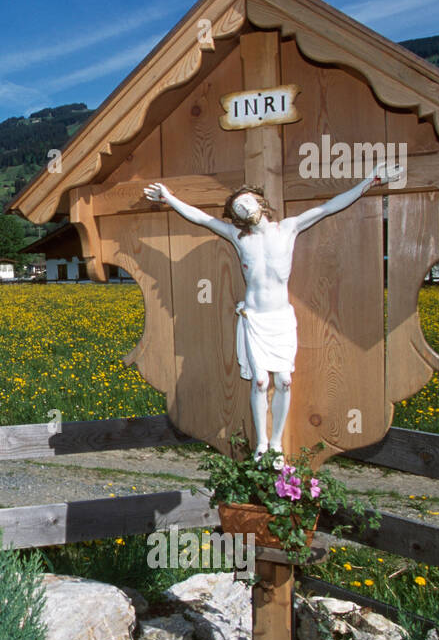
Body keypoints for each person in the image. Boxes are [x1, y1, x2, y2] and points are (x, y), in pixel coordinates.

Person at [143, 161, 401, 457]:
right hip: (254, 318)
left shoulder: (288, 229)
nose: (243, 208)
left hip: (280, 319)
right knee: (261, 380)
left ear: (261, 203)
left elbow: (329, 207)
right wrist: (169, 198)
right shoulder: (239, 238)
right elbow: (201, 218)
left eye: (246, 202)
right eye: (237, 207)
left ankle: (276, 443)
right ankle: (262, 444)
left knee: (285, 381)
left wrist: (371, 180)